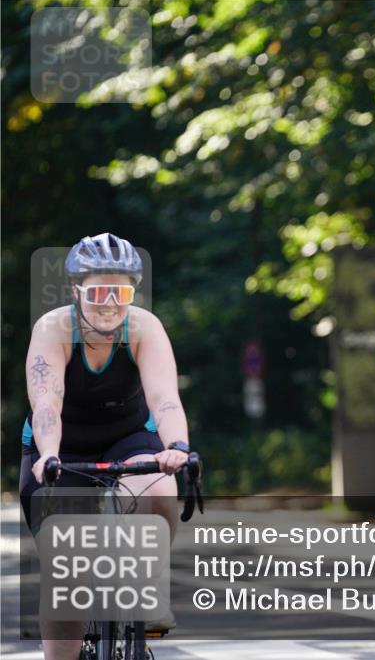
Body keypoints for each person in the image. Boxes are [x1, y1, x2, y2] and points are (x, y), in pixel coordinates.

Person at [20, 233, 192, 660]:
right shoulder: (53, 329)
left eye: (121, 291)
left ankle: (146, 588)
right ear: (76, 290)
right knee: (66, 574)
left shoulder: (143, 327)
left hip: (129, 436)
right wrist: (49, 455)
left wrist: (177, 446)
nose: (110, 302)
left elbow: (165, 398)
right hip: (61, 446)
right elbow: (47, 405)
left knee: (157, 487)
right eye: (98, 291)